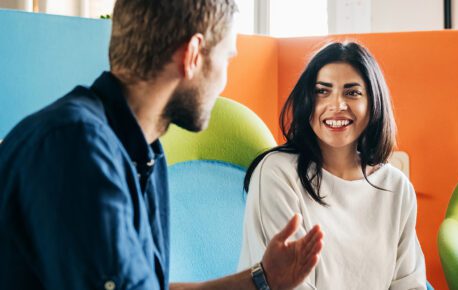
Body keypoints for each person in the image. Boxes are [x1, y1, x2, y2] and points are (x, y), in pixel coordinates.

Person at [0, 1, 324, 289]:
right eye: (227, 58)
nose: (225, 79)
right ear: (193, 56)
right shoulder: (75, 149)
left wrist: (261, 280)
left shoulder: (143, 152)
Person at [237, 42, 427, 289]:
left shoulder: (396, 187)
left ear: (373, 103)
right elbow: (286, 285)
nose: (337, 105)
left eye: (352, 92)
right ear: (307, 101)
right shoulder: (276, 173)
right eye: (322, 91)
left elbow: (409, 284)